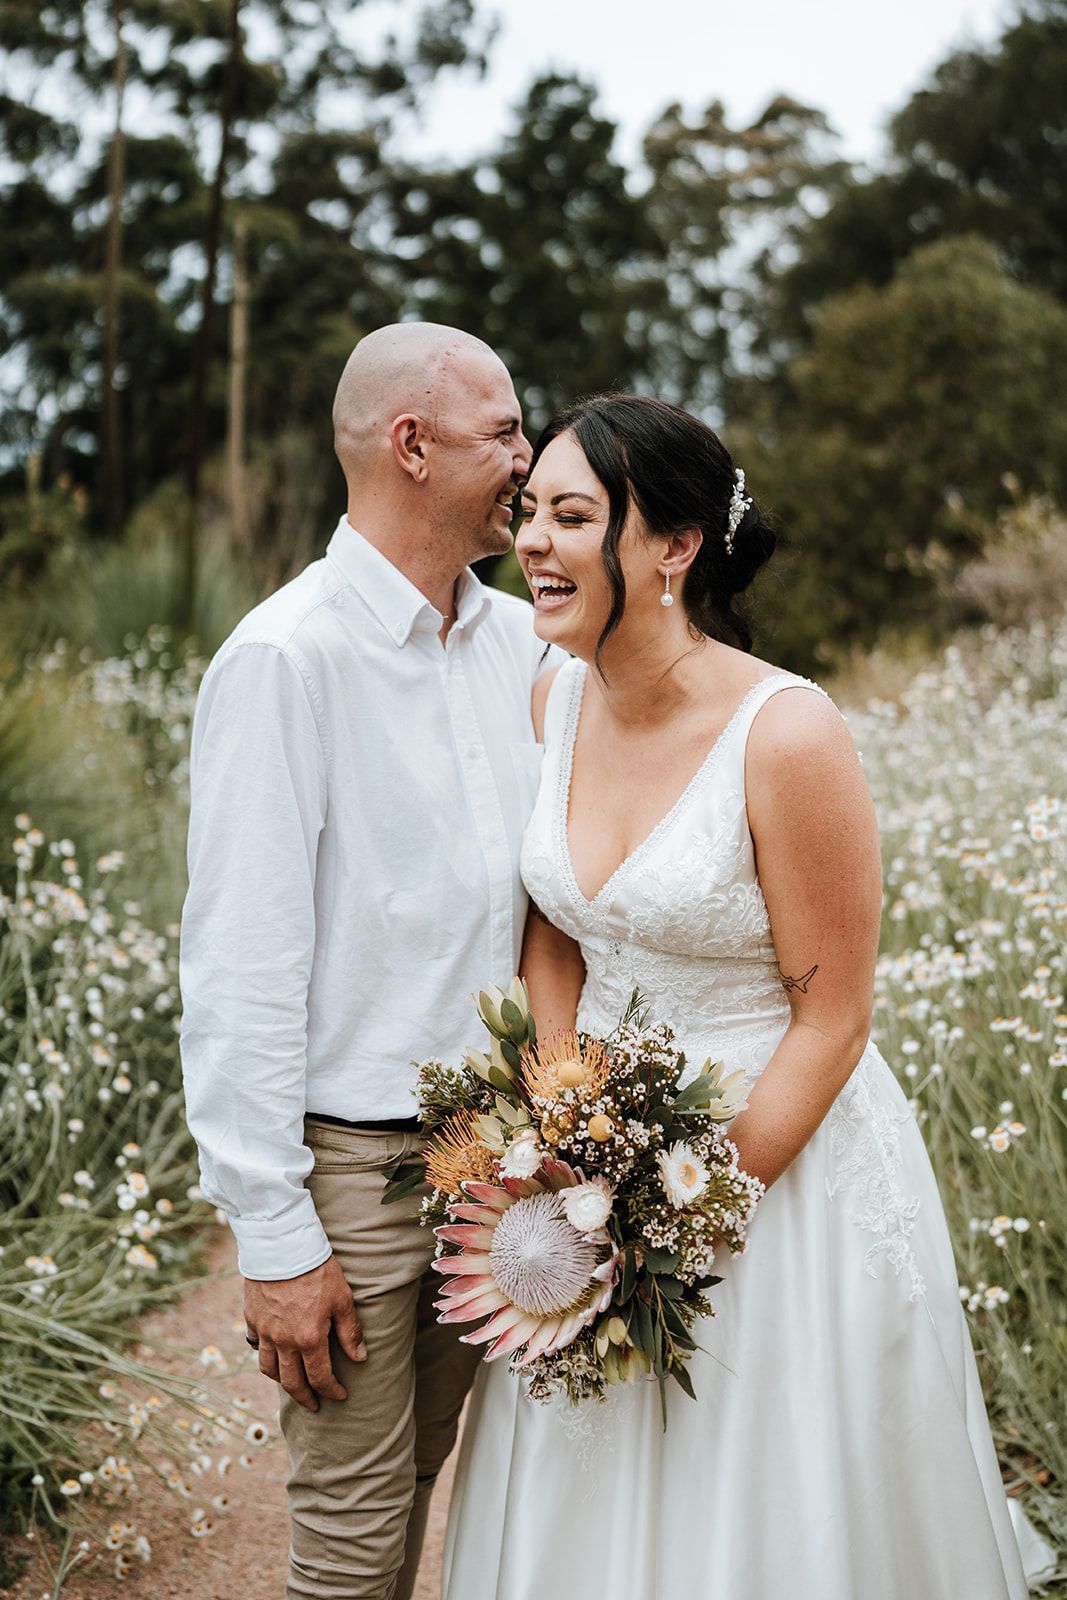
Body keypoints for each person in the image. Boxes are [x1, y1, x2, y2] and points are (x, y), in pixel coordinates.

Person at [442, 394, 1032, 1600]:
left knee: (768, 1490)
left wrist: (677, 1216)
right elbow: (555, 932)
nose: (533, 545)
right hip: (592, 1150)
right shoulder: (553, 699)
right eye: (528, 513)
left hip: (776, 1155)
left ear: (673, 546)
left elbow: (834, 1016)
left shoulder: (786, 733)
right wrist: (561, 1136)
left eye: (571, 515)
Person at [179, 322, 562, 1600]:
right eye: (505, 430)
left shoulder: (522, 648)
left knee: (425, 1485)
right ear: (412, 445)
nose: (526, 454)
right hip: (348, 1167)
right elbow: (238, 963)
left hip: (492, 1164)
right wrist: (274, 1230)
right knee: (348, 1543)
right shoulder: (286, 661)